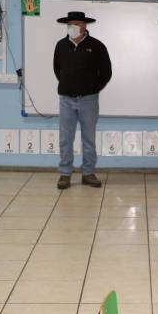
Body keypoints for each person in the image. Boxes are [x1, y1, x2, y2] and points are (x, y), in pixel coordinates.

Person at [53, 11, 112, 189]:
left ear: (84, 26)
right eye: (69, 24)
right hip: (66, 99)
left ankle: (88, 173)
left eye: (76, 23)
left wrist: (93, 88)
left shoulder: (96, 46)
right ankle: (65, 174)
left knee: (88, 138)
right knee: (65, 138)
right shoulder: (61, 45)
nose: (72, 27)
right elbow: (57, 70)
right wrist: (68, 85)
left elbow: (106, 72)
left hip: (89, 100)